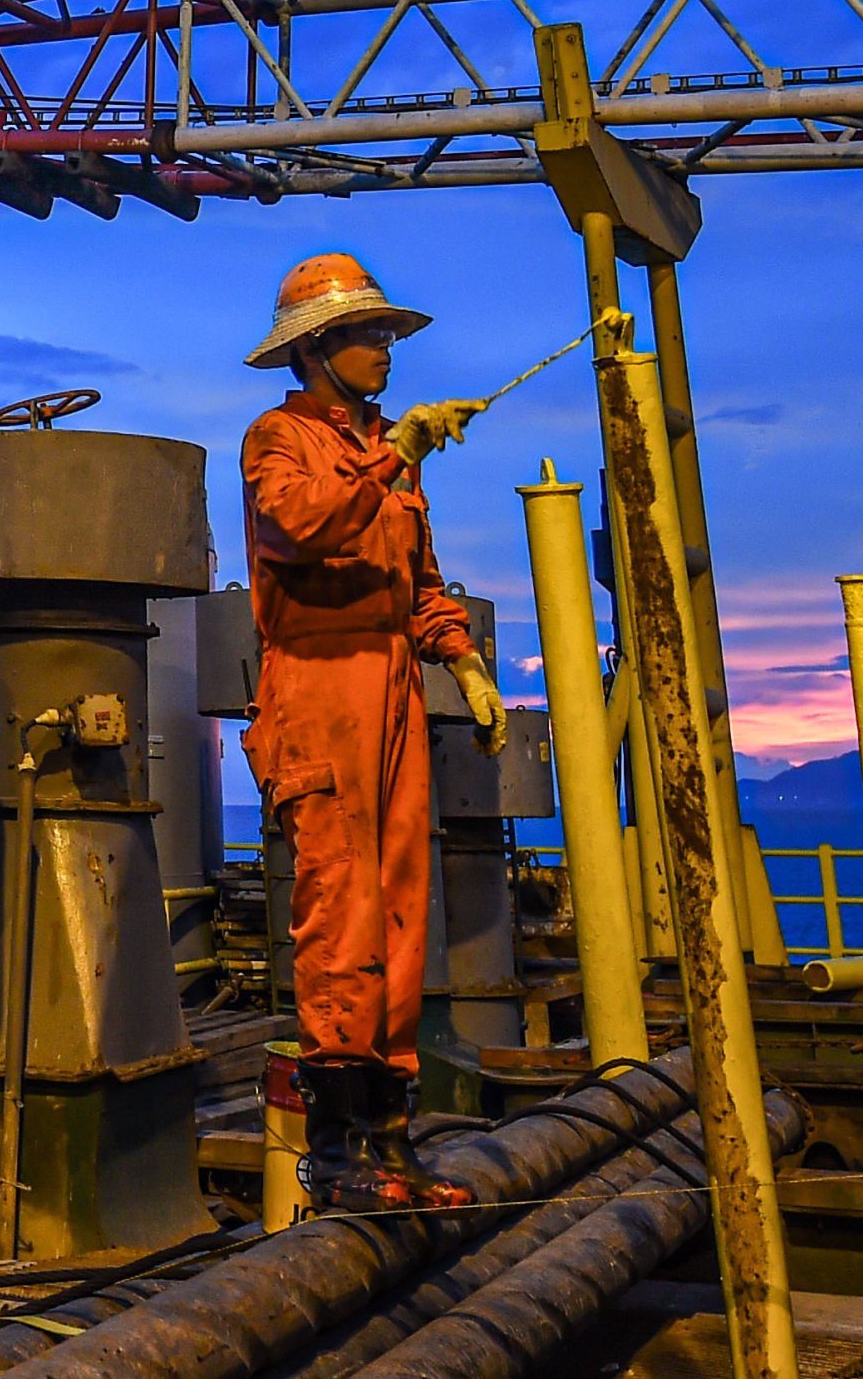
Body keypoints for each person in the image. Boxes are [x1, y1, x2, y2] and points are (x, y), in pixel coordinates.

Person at [236, 251, 507, 1214]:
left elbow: (418, 581)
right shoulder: (278, 439)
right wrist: (397, 459)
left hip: (389, 684)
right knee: (340, 915)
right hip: (316, 688)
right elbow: (301, 527)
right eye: (367, 334)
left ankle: (392, 1147)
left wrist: (463, 661)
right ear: (316, 350)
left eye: (388, 333)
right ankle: (345, 1154)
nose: (386, 349)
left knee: (398, 914)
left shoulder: (388, 449)